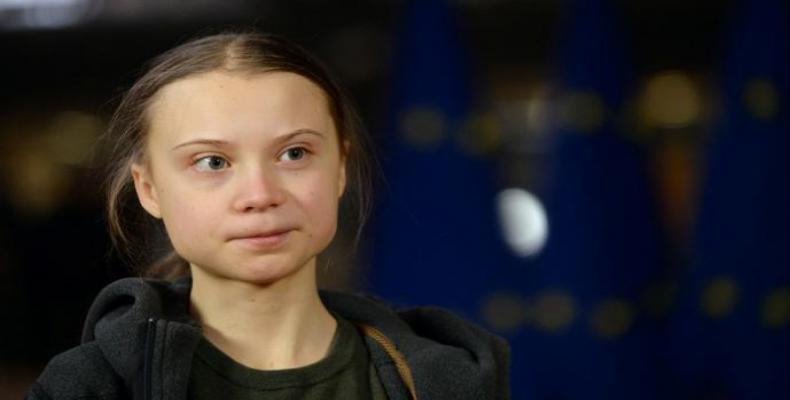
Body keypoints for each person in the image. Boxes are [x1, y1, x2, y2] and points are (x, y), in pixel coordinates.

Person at [26, 31, 510, 400]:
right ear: (149, 190)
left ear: (340, 169)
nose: (259, 195)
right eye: (212, 162)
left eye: (294, 154)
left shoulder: (453, 377)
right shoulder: (88, 387)